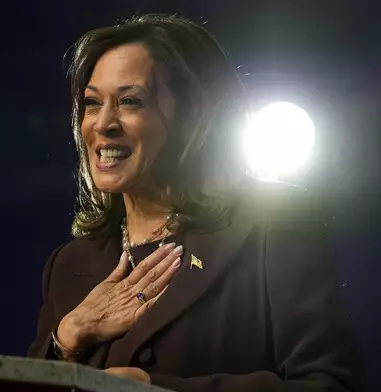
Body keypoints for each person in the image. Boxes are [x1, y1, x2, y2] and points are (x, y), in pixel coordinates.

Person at [28, 14, 361, 392]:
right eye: (91, 103)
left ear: (194, 116)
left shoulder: (272, 224)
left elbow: (330, 384)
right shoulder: (69, 265)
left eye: (130, 101)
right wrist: (69, 337)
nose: (103, 123)